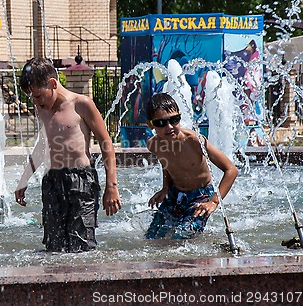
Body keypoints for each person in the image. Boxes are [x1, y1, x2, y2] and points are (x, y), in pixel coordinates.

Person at [15, 57, 122, 252]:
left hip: (81, 179)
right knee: (54, 247)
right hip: (52, 181)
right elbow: (42, 145)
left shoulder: (81, 104)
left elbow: (107, 144)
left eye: (38, 95)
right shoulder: (42, 108)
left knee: (81, 246)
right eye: (31, 97)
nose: (35, 101)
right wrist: (24, 179)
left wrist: (111, 187)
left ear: (53, 83)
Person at [145, 93, 238, 239]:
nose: (169, 127)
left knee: (180, 237)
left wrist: (213, 202)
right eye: (161, 123)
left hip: (200, 196)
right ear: (151, 125)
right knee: (152, 237)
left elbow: (231, 170)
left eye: (174, 120)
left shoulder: (194, 141)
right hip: (175, 195)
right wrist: (165, 188)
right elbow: (167, 164)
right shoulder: (154, 144)